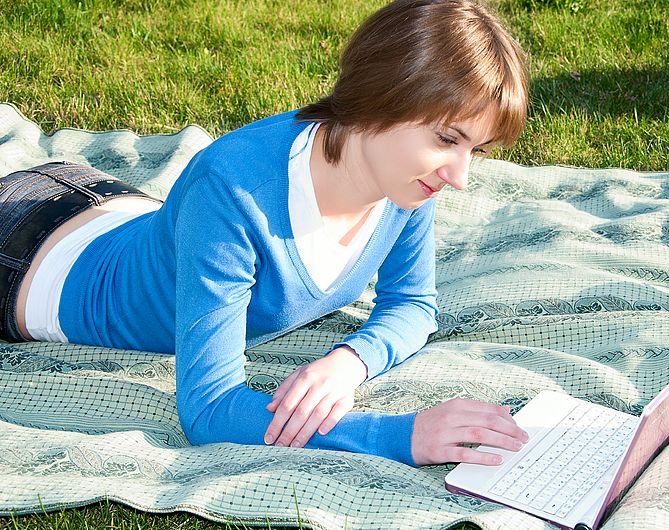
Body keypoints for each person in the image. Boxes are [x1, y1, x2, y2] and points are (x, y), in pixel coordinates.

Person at [0, 0, 530, 467]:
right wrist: (404, 436)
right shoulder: (234, 189)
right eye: (446, 140)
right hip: (24, 261)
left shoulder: (407, 182)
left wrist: (350, 361)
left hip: (103, 201)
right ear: (378, 100)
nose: (460, 177)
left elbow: (413, 303)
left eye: (475, 150)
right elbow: (209, 409)